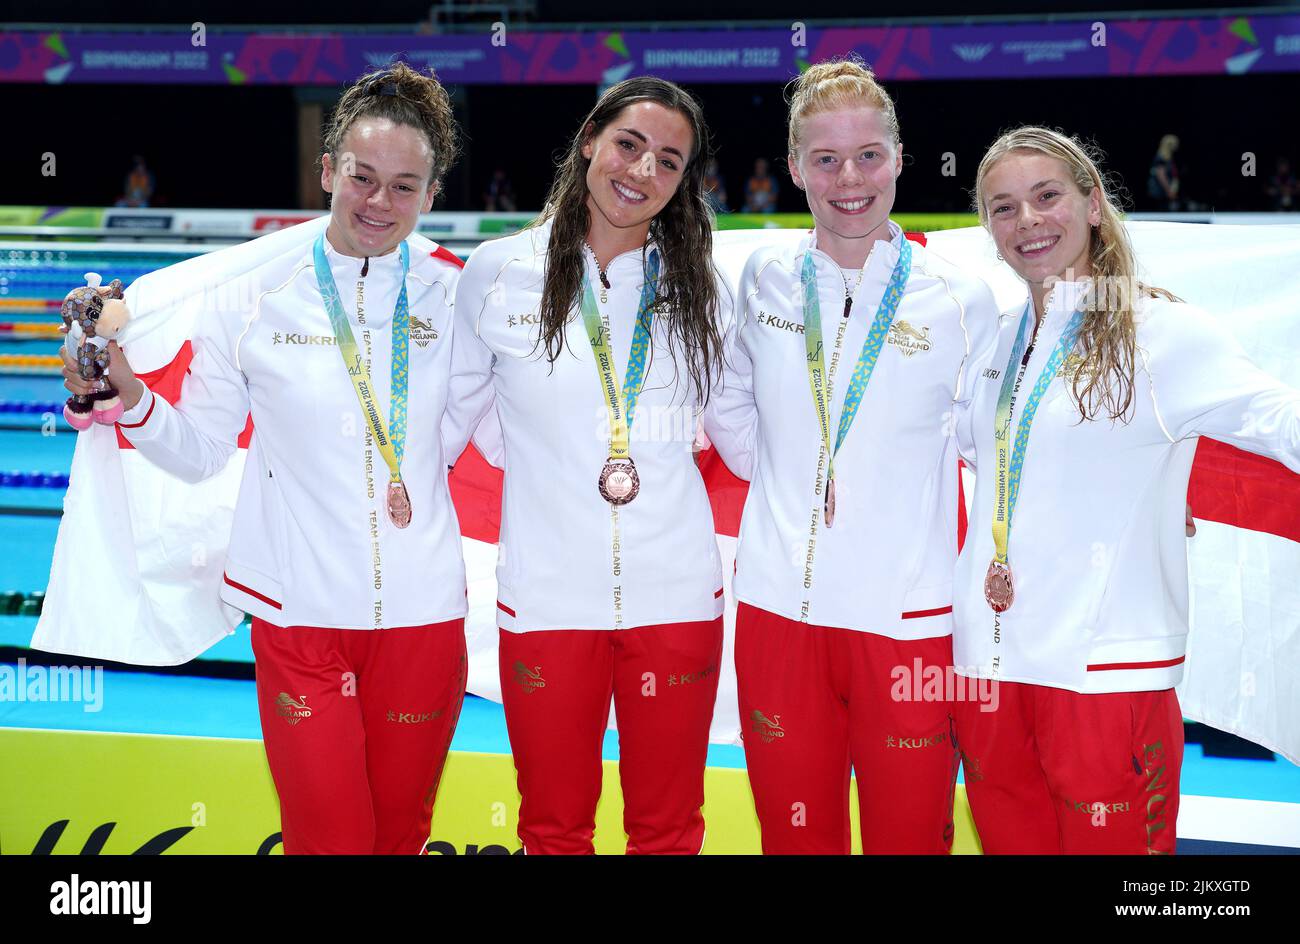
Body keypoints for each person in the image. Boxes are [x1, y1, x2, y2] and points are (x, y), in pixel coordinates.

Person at [60, 62, 469, 855]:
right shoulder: (250, 296)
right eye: (362, 177)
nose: (380, 203)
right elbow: (203, 451)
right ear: (327, 170)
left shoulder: (460, 298)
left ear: (431, 194)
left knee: (399, 837)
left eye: (405, 186)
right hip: (298, 617)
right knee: (328, 838)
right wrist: (132, 398)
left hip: (422, 619)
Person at [954, 126, 1300, 854]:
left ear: (1092, 204)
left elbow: (1275, 420)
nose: (1028, 221)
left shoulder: (1163, 333)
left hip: (1106, 672)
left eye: (1047, 196)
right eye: (1004, 208)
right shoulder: (995, 338)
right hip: (988, 665)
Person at [445, 77, 755, 854]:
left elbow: (746, 434)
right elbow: (454, 419)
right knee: (553, 828)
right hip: (548, 601)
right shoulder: (498, 272)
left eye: (669, 161)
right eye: (629, 144)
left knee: (668, 828)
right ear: (589, 140)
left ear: (684, 182)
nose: (642, 170)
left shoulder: (699, 289)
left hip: (676, 600)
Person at [732, 59, 1001, 854]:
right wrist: (800, 483)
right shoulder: (763, 278)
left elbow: (998, 448)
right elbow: (735, 408)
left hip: (908, 626)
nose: (849, 179)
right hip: (781, 617)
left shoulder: (960, 297)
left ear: (898, 155)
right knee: (795, 840)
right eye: (825, 159)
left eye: (869, 155)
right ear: (794, 168)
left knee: (911, 839)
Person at [1146, 134, 1180, 211]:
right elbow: (1161, 175)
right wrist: (1169, 190)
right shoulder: (1161, 158)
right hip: (1159, 192)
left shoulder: (1168, 158)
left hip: (1163, 192)